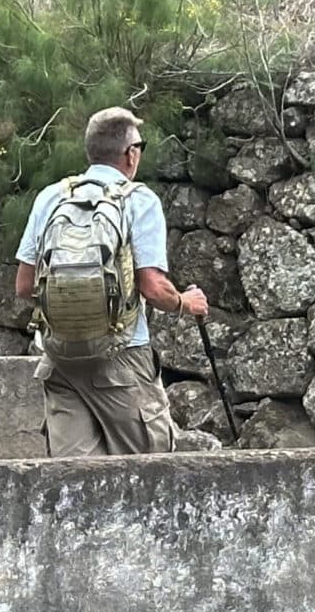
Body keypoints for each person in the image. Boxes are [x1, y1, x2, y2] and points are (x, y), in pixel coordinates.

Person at [12, 106, 209, 457]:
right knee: (149, 474)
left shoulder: (51, 197)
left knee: (76, 484)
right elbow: (153, 287)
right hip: (122, 360)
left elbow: (24, 286)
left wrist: (72, 314)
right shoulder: (139, 200)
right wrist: (185, 302)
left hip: (61, 363)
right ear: (130, 153)